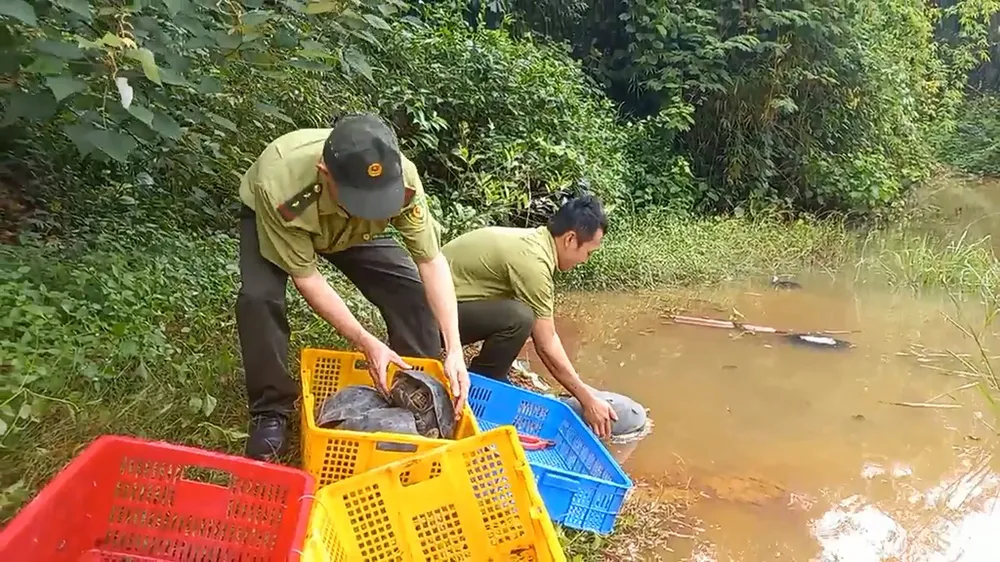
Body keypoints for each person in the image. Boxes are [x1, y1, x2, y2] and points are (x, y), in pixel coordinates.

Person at [236, 113, 469, 461]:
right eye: (364, 200)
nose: (372, 208)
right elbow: (307, 277)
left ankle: (418, 395)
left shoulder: (401, 178)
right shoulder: (281, 184)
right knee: (259, 299)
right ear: (325, 174)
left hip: (351, 233)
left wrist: (454, 348)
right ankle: (271, 411)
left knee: (410, 289)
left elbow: (430, 262)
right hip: (283, 221)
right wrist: (364, 339)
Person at [440, 194, 618, 438]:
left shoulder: (533, 242)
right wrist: (587, 399)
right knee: (520, 317)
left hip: (437, 305)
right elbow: (547, 343)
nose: (585, 261)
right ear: (570, 239)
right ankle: (485, 381)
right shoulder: (534, 263)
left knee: (521, 314)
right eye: (588, 253)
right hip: (425, 317)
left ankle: (489, 378)